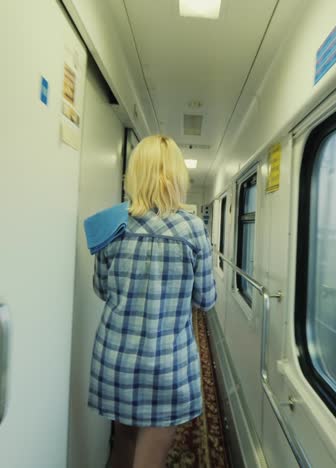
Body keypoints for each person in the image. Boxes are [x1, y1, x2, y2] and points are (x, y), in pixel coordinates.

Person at [87, 135, 217, 468]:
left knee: (121, 448)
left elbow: (101, 288)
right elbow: (205, 299)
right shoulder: (193, 229)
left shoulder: (112, 224)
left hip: (116, 359)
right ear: (176, 177)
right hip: (167, 363)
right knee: (150, 459)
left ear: (135, 174)